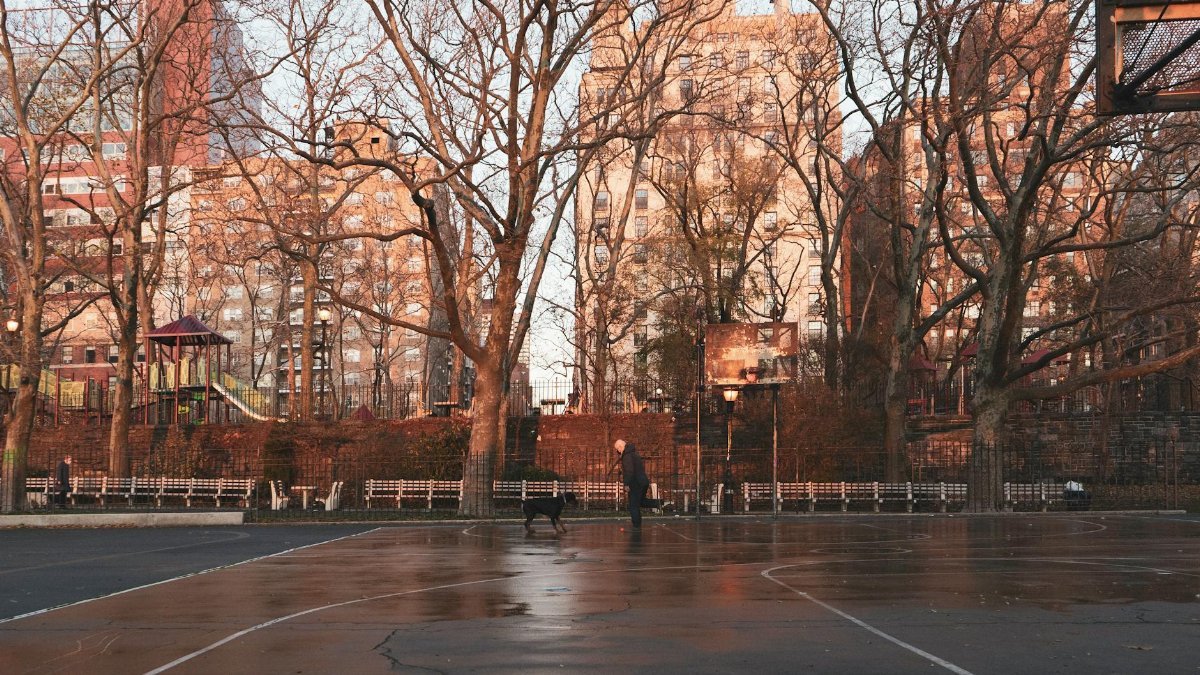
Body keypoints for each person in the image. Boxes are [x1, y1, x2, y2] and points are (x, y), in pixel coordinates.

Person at [614, 439, 650, 529]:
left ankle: (636, 526)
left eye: (618, 449)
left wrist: (626, 484)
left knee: (633, 505)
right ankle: (658, 503)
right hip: (642, 481)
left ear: (621, 447)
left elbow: (630, 471)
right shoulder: (634, 454)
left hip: (635, 483)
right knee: (640, 502)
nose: (618, 451)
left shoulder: (627, 456)